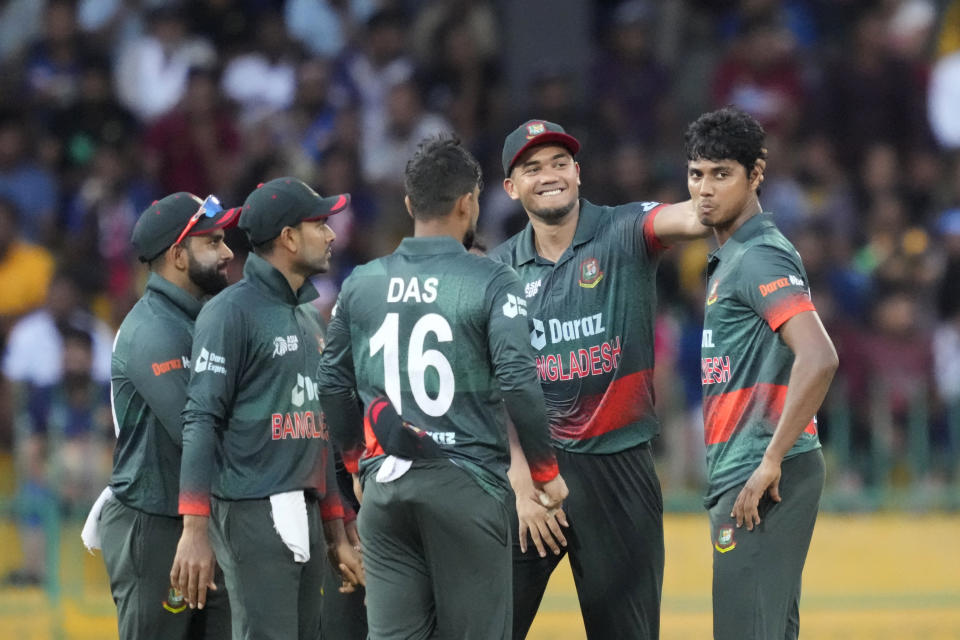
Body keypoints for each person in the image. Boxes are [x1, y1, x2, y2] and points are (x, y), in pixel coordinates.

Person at [317, 135, 568, 639]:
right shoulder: (492, 280)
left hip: (385, 489)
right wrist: (544, 472)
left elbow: (331, 384)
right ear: (469, 201)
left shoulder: (361, 283)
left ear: (411, 204)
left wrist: (352, 466)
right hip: (466, 483)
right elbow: (519, 380)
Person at [488, 119, 729, 639]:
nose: (549, 176)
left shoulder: (624, 227)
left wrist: (729, 178)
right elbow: (490, 386)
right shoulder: (497, 269)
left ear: (578, 172)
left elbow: (693, 216)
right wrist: (521, 477)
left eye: (559, 163)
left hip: (619, 469)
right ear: (511, 188)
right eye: (532, 168)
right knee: (483, 626)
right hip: (531, 477)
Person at [171, 177, 364, 640]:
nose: (332, 234)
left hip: (307, 505)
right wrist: (194, 530)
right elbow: (200, 420)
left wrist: (338, 527)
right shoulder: (229, 313)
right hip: (251, 509)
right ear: (289, 238)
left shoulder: (307, 316)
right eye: (320, 224)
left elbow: (319, 432)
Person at [686, 106, 837, 639]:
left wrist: (772, 460)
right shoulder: (732, 256)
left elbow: (819, 357)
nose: (705, 189)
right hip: (750, 468)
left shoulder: (757, 258)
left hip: (764, 474)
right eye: (696, 174)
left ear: (756, 174)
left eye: (722, 174)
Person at [95, 192, 239, 640]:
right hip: (154, 524)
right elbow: (198, 432)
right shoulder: (153, 330)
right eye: (212, 242)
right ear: (178, 255)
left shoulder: (202, 320)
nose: (228, 252)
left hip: (201, 519)